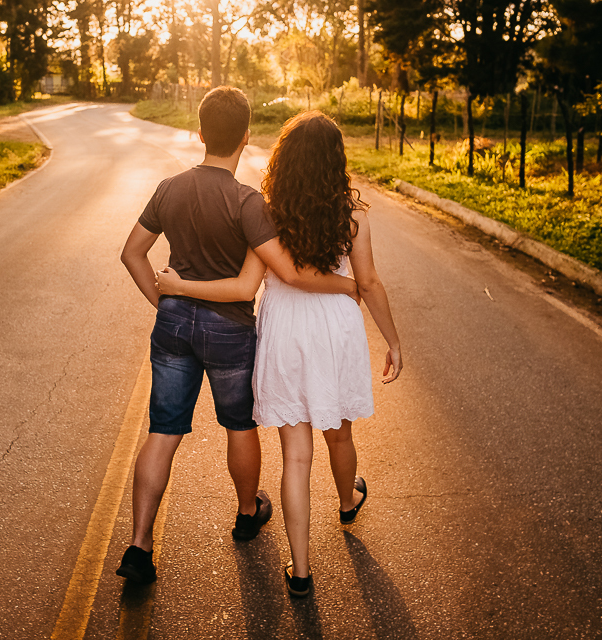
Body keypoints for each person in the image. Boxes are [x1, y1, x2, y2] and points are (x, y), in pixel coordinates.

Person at [156, 110, 402, 597]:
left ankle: (301, 570)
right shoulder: (353, 215)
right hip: (333, 326)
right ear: (335, 160)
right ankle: (347, 502)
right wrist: (393, 340)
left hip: (285, 327)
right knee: (339, 433)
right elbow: (369, 282)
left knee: (296, 456)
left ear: (284, 159)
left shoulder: (266, 212)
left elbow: (256, 279)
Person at [118, 89, 358, 585]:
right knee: (239, 426)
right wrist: (349, 286)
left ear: (200, 134)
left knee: (163, 432)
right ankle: (248, 513)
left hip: (174, 326)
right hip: (228, 329)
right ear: (246, 137)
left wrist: (166, 303)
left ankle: (140, 546)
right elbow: (270, 278)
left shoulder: (168, 188)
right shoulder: (248, 202)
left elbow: (132, 253)